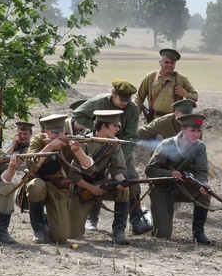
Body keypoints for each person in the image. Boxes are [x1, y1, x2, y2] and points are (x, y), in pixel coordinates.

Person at [72, 80, 150, 235]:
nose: (124, 103)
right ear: (113, 95)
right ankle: (91, 220)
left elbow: (132, 136)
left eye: (127, 100)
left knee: (131, 179)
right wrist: (96, 129)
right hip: (96, 144)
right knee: (97, 177)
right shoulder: (100, 101)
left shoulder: (132, 109)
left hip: (119, 147)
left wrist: (121, 156)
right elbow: (78, 115)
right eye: (121, 99)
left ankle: (135, 222)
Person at [145, 113, 215, 245]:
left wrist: (203, 184)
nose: (196, 134)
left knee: (204, 193)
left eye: (199, 131)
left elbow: (201, 171)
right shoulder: (166, 144)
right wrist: (170, 173)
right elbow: (150, 170)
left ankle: (198, 233)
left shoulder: (200, 147)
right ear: (182, 129)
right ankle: (146, 217)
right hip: (163, 188)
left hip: (183, 187)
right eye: (192, 130)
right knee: (162, 235)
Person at [24, 114, 93, 244]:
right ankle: (38, 228)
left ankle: (47, 222)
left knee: (61, 237)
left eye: (62, 131)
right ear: (46, 131)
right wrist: (49, 147)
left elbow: (89, 167)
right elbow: (31, 166)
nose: (60, 135)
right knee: (36, 185)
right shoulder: (38, 140)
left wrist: (77, 151)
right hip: (40, 184)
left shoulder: (68, 141)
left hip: (58, 188)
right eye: (55, 132)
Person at [68, 110, 132, 245]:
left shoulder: (114, 143)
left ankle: (119, 232)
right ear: (103, 126)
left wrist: (121, 182)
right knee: (72, 234)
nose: (118, 129)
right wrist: (91, 188)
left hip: (102, 184)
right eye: (115, 125)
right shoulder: (83, 142)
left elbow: (118, 169)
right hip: (82, 187)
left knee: (124, 190)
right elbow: (73, 174)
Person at [134, 49, 197, 122]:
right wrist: (134, 116)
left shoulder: (182, 79)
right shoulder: (150, 77)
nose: (169, 65)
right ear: (160, 63)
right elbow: (139, 98)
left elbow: (195, 96)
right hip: (153, 121)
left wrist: (186, 94)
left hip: (172, 122)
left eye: (172, 63)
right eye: (166, 62)